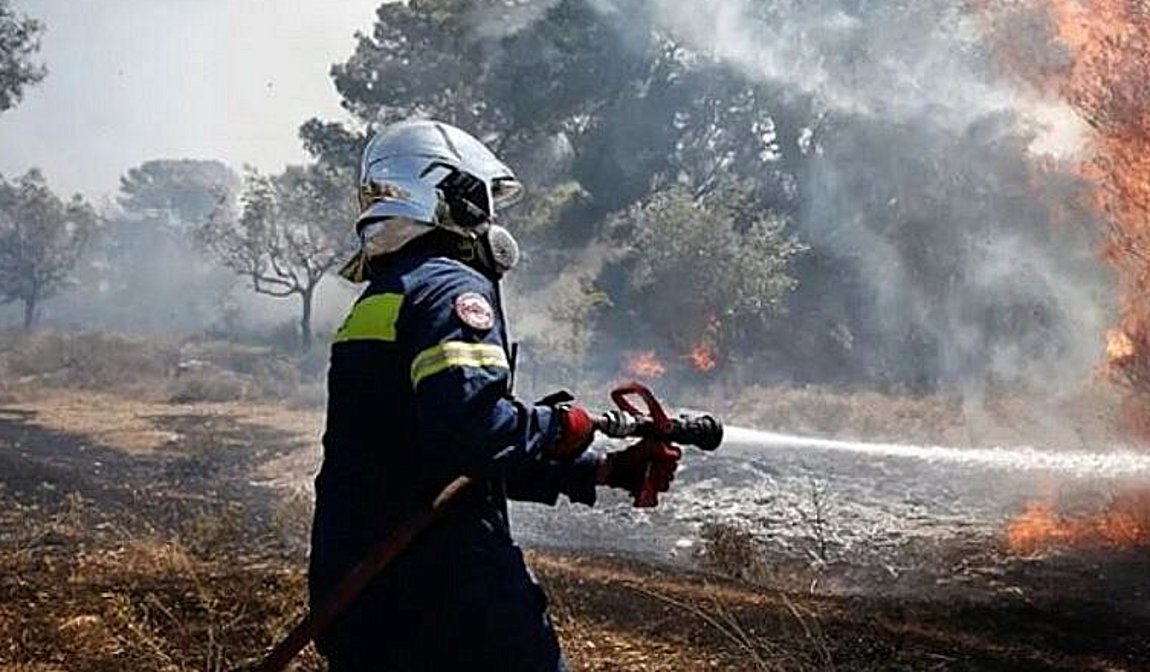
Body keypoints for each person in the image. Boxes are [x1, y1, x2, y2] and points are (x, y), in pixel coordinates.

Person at [308, 119, 655, 672]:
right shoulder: (452, 288)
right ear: (455, 198)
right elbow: (475, 437)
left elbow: (439, 458)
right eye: (485, 201)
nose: (493, 221)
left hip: (359, 587)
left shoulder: (387, 294)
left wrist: (601, 471)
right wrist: (561, 425)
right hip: (446, 591)